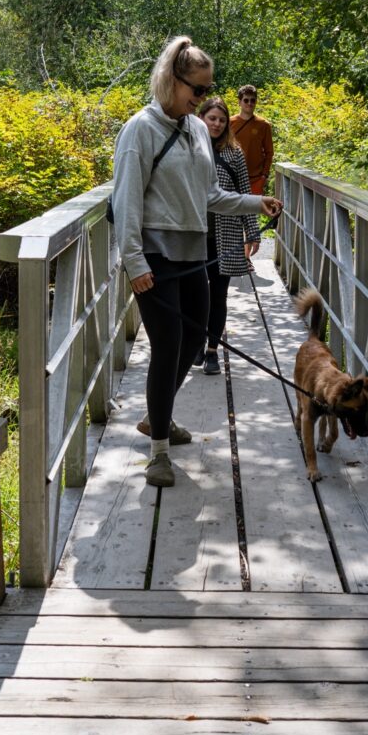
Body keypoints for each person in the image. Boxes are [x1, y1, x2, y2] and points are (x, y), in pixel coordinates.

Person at [112, 36, 281, 488]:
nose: (204, 98)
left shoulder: (194, 131)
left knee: (198, 337)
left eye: (208, 90)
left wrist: (254, 203)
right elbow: (125, 200)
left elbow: (209, 196)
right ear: (173, 80)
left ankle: (157, 416)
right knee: (167, 345)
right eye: (198, 90)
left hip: (194, 251)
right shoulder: (140, 130)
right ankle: (159, 452)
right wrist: (133, 262)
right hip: (154, 256)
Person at [194, 97, 260, 376]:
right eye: (212, 118)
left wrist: (253, 231)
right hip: (193, 235)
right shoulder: (190, 148)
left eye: (221, 120)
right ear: (201, 118)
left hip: (226, 234)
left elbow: (245, 192)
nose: (217, 124)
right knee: (196, 295)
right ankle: (196, 340)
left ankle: (211, 351)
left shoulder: (234, 152)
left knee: (218, 294)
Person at [231, 84, 274, 194]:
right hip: (233, 177)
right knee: (233, 210)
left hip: (255, 179)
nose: (249, 103)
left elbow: (269, 152)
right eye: (246, 100)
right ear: (239, 102)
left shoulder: (264, 125)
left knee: (252, 211)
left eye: (252, 100)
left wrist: (264, 175)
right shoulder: (229, 123)